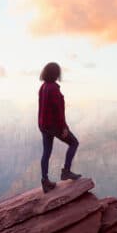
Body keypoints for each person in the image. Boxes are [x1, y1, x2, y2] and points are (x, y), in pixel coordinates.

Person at [38, 62, 81, 193]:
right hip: (53, 125)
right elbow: (58, 112)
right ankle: (66, 171)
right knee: (74, 143)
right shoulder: (53, 89)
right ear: (55, 74)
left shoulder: (43, 87)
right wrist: (64, 127)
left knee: (46, 152)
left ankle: (45, 181)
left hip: (44, 125)